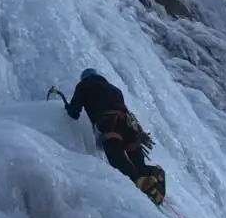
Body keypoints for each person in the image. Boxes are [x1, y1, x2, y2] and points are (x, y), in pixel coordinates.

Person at [64, 68, 165, 205]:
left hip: (109, 123)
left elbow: (74, 112)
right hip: (129, 125)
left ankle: (140, 184)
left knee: (117, 160)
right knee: (138, 163)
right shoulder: (115, 89)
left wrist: (67, 107)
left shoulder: (84, 85)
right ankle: (153, 173)